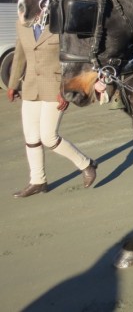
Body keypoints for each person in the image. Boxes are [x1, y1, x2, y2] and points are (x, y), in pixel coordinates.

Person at [7, 18, 97, 198]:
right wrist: (13, 84)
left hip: (55, 88)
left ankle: (86, 165)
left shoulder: (61, 24)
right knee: (31, 137)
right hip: (31, 86)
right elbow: (20, 55)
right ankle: (38, 181)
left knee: (48, 137)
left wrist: (66, 89)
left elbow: (74, 58)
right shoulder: (22, 24)